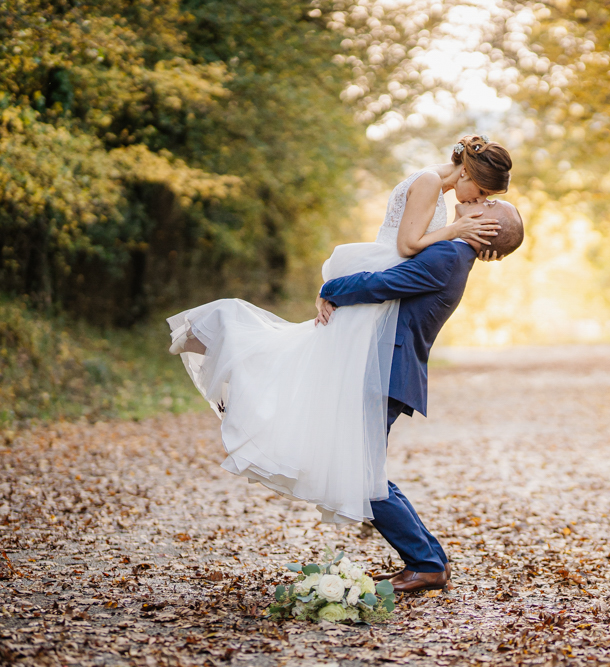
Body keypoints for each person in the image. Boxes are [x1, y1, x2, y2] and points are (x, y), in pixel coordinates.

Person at [165, 135, 513, 528]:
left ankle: (224, 350)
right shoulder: (432, 183)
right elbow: (408, 243)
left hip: (385, 278)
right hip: (385, 269)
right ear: (466, 170)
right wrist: (455, 229)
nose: (477, 201)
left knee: (311, 357)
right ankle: (225, 349)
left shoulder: (440, 197)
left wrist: (458, 230)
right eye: (481, 190)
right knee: (310, 359)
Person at [315, 197, 524, 592]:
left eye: (490, 202)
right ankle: (431, 561)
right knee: (366, 469)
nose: (479, 199)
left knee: (362, 475)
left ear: (488, 225)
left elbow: (382, 284)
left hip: (388, 372)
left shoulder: (447, 254)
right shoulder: (451, 251)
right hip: (389, 371)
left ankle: (426, 563)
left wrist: (329, 288)